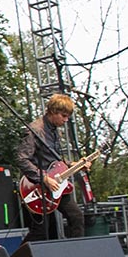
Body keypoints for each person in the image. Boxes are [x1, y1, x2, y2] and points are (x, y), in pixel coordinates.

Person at [15, 93, 86, 242]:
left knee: (76, 217)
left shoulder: (53, 130)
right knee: (42, 231)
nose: (66, 120)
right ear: (53, 111)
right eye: (64, 116)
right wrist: (44, 178)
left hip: (56, 185)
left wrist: (74, 165)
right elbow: (21, 159)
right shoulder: (35, 130)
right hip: (37, 187)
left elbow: (54, 160)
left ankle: (76, 256)